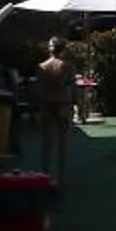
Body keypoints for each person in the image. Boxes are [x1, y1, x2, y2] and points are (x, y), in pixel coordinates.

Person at [34, 41, 76, 183]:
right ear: (62, 50)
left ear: (50, 50)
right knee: (63, 145)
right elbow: (71, 88)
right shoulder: (67, 66)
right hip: (63, 105)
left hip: (47, 104)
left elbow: (39, 89)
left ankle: (44, 176)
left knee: (46, 144)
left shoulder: (42, 66)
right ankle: (62, 178)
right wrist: (74, 104)